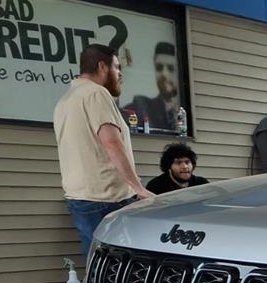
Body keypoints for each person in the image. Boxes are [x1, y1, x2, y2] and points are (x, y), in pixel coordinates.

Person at [53, 44, 154, 255]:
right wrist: (138, 188)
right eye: (117, 68)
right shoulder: (96, 94)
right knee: (120, 269)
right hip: (107, 199)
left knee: (97, 266)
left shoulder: (65, 101)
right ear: (102, 67)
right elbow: (112, 143)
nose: (120, 75)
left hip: (80, 199)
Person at [123, 42, 179, 131]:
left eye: (171, 68)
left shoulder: (183, 113)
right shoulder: (139, 108)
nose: (164, 74)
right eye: (159, 68)